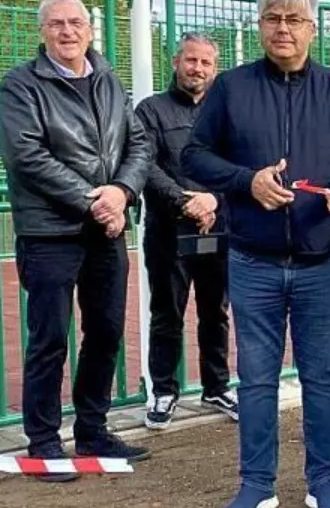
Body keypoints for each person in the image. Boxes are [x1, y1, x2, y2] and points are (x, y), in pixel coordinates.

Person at [181, 0, 330, 508]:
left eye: (294, 19)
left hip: (323, 260)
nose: (283, 28)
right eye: (272, 19)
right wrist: (247, 181)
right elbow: (194, 156)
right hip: (253, 260)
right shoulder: (232, 88)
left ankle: (323, 482)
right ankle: (257, 485)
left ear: (313, 28)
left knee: (321, 376)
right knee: (258, 378)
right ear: (260, 25)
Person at [0, 0, 152, 482]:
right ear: (42, 31)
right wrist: (96, 200)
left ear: (89, 29)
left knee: (106, 333)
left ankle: (92, 428)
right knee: (49, 339)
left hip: (106, 232)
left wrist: (124, 191)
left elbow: (139, 143)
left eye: (75, 23)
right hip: (51, 233)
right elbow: (28, 157)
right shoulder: (20, 86)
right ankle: (43, 441)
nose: (68, 32)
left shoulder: (109, 80)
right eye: (56, 24)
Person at [137, 32, 236, 430]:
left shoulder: (226, 112)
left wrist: (213, 200)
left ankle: (216, 386)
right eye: (190, 60)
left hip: (218, 228)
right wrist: (186, 202)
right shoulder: (151, 111)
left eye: (206, 63)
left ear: (216, 67)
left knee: (217, 312)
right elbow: (144, 164)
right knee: (166, 313)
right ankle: (163, 390)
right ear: (176, 61)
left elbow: (238, 165)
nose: (197, 69)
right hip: (167, 233)